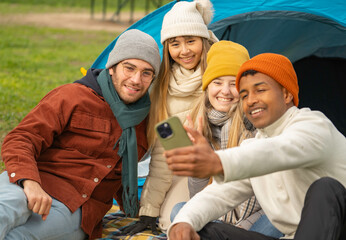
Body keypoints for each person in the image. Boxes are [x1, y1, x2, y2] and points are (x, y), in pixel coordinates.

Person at [0, 29, 161, 240]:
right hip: (33, 180)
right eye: (129, 68)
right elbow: (21, 138)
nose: (136, 80)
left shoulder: (147, 122)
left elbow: (122, 177)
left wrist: (142, 211)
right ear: (112, 67)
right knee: (3, 212)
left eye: (146, 73)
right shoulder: (73, 96)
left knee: (19, 237)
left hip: (78, 209)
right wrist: (30, 183)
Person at [165, 53, 346, 239]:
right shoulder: (255, 145)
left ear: (286, 94)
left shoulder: (314, 125)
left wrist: (217, 161)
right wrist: (183, 222)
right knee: (200, 230)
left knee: (326, 188)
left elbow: (280, 150)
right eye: (244, 95)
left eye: (260, 90)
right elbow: (220, 193)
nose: (250, 100)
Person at [121, 0, 218, 235]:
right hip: (188, 171)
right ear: (167, 48)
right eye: (175, 44)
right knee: (169, 220)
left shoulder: (221, 79)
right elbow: (167, 153)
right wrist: (148, 210)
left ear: (203, 41)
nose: (184, 51)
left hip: (225, 169)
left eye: (191, 41)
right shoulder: (164, 91)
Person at [171, 40, 281, 238]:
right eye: (217, 82)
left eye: (234, 84)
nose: (225, 91)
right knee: (178, 211)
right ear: (207, 86)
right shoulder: (199, 123)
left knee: (280, 219)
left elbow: (272, 197)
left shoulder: (258, 124)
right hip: (219, 218)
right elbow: (198, 198)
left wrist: (237, 231)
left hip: (257, 218)